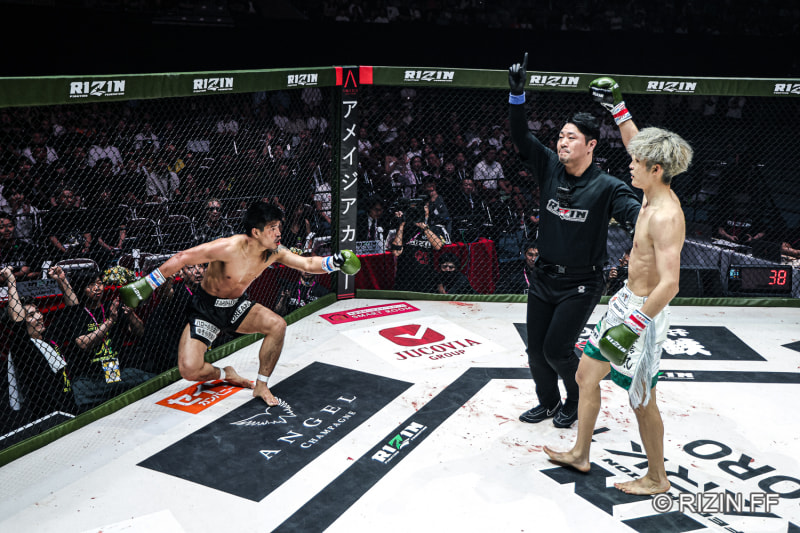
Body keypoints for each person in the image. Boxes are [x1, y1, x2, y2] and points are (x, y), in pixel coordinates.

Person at [544, 126, 694, 496]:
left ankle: (657, 478)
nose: (629, 164)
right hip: (625, 301)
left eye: (636, 162)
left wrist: (633, 326)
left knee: (641, 400)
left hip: (645, 315)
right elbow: (637, 143)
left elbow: (670, 284)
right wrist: (619, 110)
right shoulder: (650, 192)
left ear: (656, 169)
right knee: (585, 375)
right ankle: (581, 453)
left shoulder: (666, 216)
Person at [508, 56, 642, 428]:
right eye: (561, 137)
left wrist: (644, 223)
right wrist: (517, 95)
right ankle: (548, 402)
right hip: (543, 277)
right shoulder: (550, 166)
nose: (563, 142)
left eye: (572, 138)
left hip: (581, 282)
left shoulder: (608, 187)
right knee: (536, 352)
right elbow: (521, 137)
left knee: (557, 350)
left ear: (591, 145)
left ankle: (577, 399)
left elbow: (636, 216)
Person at [119, 201, 361, 406]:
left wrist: (335, 262)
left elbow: (307, 264)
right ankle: (226, 374)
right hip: (206, 310)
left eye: (279, 227)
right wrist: (147, 284)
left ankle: (261, 385)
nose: (279, 233)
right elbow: (183, 257)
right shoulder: (229, 247)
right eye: (273, 228)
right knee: (189, 370)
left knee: (277, 325)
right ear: (256, 232)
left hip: (236, 307)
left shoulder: (274, 251)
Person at [53, 268, 151, 410]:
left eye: (99, 283)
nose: (97, 288)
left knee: (146, 378)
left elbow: (140, 332)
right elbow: (83, 344)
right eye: (90, 285)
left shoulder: (111, 307)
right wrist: (110, 322)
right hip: (92, 377)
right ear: (81, 289)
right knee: (79, 392)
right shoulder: (77, 314)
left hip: (118, 371)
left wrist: (131, 315)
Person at [1, 265, 78, 418]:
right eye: (31, 315)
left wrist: (62, 280)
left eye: (37, 311)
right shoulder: (23, 347)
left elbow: (74, 309)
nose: (39, 317)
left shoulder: (49, 336)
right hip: (49, 413)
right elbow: (17, 319)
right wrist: (11, 281)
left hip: (71, 402)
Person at [388, 198, 449, 293]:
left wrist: (424, 227)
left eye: (425, 206)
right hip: (405, 277)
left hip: (426, 278)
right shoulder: (406, 228)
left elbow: (438, 246)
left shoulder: (434, 228)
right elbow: (396, 252)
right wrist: (401, 224)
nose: (422, 210)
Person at [0, 213, 42, 281]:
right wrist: (21, 273)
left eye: (10, 226)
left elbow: (37, 272)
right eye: (1, 227)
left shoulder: (26, 247)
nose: (7, 230)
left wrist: (10, 276)